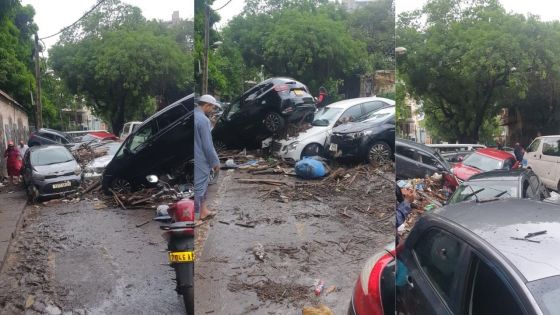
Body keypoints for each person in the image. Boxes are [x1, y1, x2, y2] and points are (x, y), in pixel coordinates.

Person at [194, 94, 221, 223]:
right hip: (200, 158)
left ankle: (203, 211)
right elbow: (207, 145)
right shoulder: (203, 120)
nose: (213, 110)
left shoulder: (193, 116)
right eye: (212, 107)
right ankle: (197, 215)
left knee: (201, 186)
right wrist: (215, 162)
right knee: (200, 186)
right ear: (206, 105)